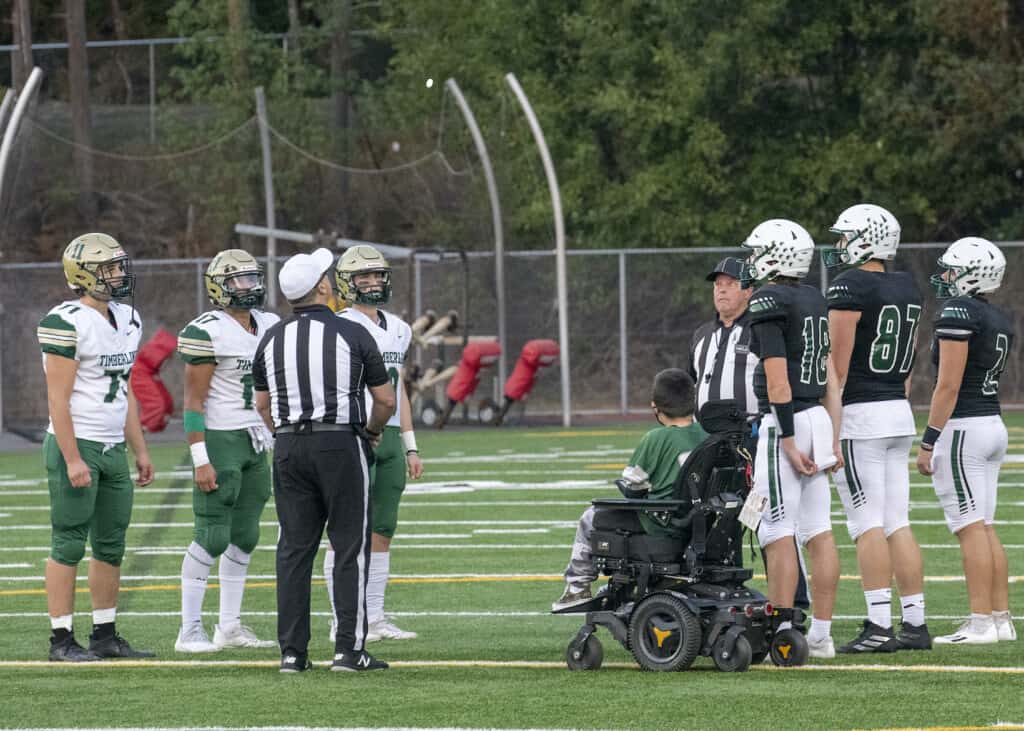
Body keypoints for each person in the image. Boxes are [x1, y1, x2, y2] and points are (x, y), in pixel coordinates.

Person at [252, 248, 397, 673]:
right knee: (350, 547)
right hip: (339, 443)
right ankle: (349, 650)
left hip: (289, 446)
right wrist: (370, 433)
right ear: (321, 287)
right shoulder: (352, 332)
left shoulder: (272, 337)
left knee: (294, 550)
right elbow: (386, 400)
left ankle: (292, 653)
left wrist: (286, 435)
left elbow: (262, 404)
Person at [37, 233, 155, 661]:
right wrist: (71, 457)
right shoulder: (65, 320)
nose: (120, 275)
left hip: (111, 448)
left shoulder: (127, 318)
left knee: (111, 543)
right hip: (78, 442)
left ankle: (105, 634)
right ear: (83, 275)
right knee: (68, 541)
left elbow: (123, 391)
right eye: (109, 268)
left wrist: (139, 449)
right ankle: (61, 640)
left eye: (119, 266)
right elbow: (57, 399)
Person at [823, 204, 931, 653]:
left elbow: (837, 366)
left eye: (845, 237)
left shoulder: (850, 284)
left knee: (866, 523)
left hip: (862, 416)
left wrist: (828, 423)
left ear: (865, 239)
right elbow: (906, 365)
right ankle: (915, 624)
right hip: (896, 411)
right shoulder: (906, 284)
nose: (839, 246)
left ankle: (879, 625)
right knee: (896, 522)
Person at [742, 218, 841, 660]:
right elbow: (831, 380)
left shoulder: (769, 298)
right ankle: (820, 633)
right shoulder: (814, 297)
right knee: (819, 530)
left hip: (788, 420)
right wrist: (833, 439)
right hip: (818, 416)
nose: (752, 259)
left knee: (777, 529)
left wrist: (784, 437)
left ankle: (781, 630)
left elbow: (778, 382)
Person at [689, 256, 812, 610]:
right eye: (717, 284)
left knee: (771, 522)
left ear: (749, 290)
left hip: (754, 439)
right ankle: (716, 591)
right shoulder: (702, 335)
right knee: (714, 519)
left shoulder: (761, 327)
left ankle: (793, 601)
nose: (722, 289)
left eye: (730, 283)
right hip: (710, 443)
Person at [174, 249, 280, 653]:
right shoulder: (206, 330)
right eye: (238, 280)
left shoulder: (270, 323)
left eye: (252, 279)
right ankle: (189, 629)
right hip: (220, 437)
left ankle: (229, 626)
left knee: (246, 533)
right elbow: (193, 403)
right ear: (219, 287)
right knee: (212, 533)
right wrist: (200, 458)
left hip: (257, 438)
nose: (248, 287)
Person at [916, 237, 1016, 645]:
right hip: (991, 423)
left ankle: (980, 623)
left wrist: (928, 441)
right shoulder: (997, 316)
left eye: (952, 269)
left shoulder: (959, 311)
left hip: (965, 428)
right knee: (985, 526)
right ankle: (1000, 618)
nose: (945, 277)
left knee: (970, 527)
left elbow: (948, 385)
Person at [323, 245, 424, 643]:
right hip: (355, 432)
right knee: (346, 531)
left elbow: (399, 390)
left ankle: (375, 617)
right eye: (363, 276)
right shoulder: (337, 325)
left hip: (392, 434)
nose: (372, 282)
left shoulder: (399, 327)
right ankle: (341, 620)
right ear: (347, 282)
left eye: (377, 274)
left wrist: (411, 445)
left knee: (383, 529)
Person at [552, 369, 707, 610]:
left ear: (655, 406)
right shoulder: (705, 435)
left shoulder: (657, 438)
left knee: (590, 517)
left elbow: (634, 484)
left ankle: (577, 588)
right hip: (695, 526)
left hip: (660, 525)